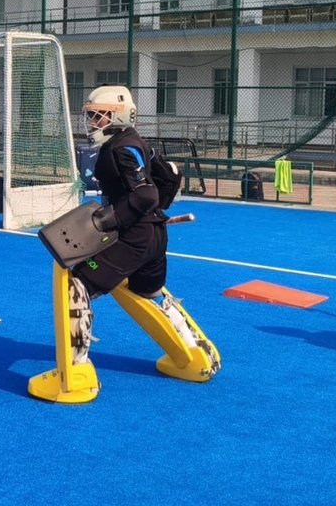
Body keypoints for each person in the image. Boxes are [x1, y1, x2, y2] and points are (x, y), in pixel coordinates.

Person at [62, 85, 219, 377]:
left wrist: (107, 220)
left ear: (119, 116)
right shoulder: (137, 143)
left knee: (76, 282)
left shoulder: (119, 147)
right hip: (156, 235)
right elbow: (170, 175)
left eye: (100, 116)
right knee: (149, 293)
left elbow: (145, 194)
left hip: (135, 237)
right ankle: (195, 352)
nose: (93, 123)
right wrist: (156, 211)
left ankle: (76, 371)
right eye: (92, 116)